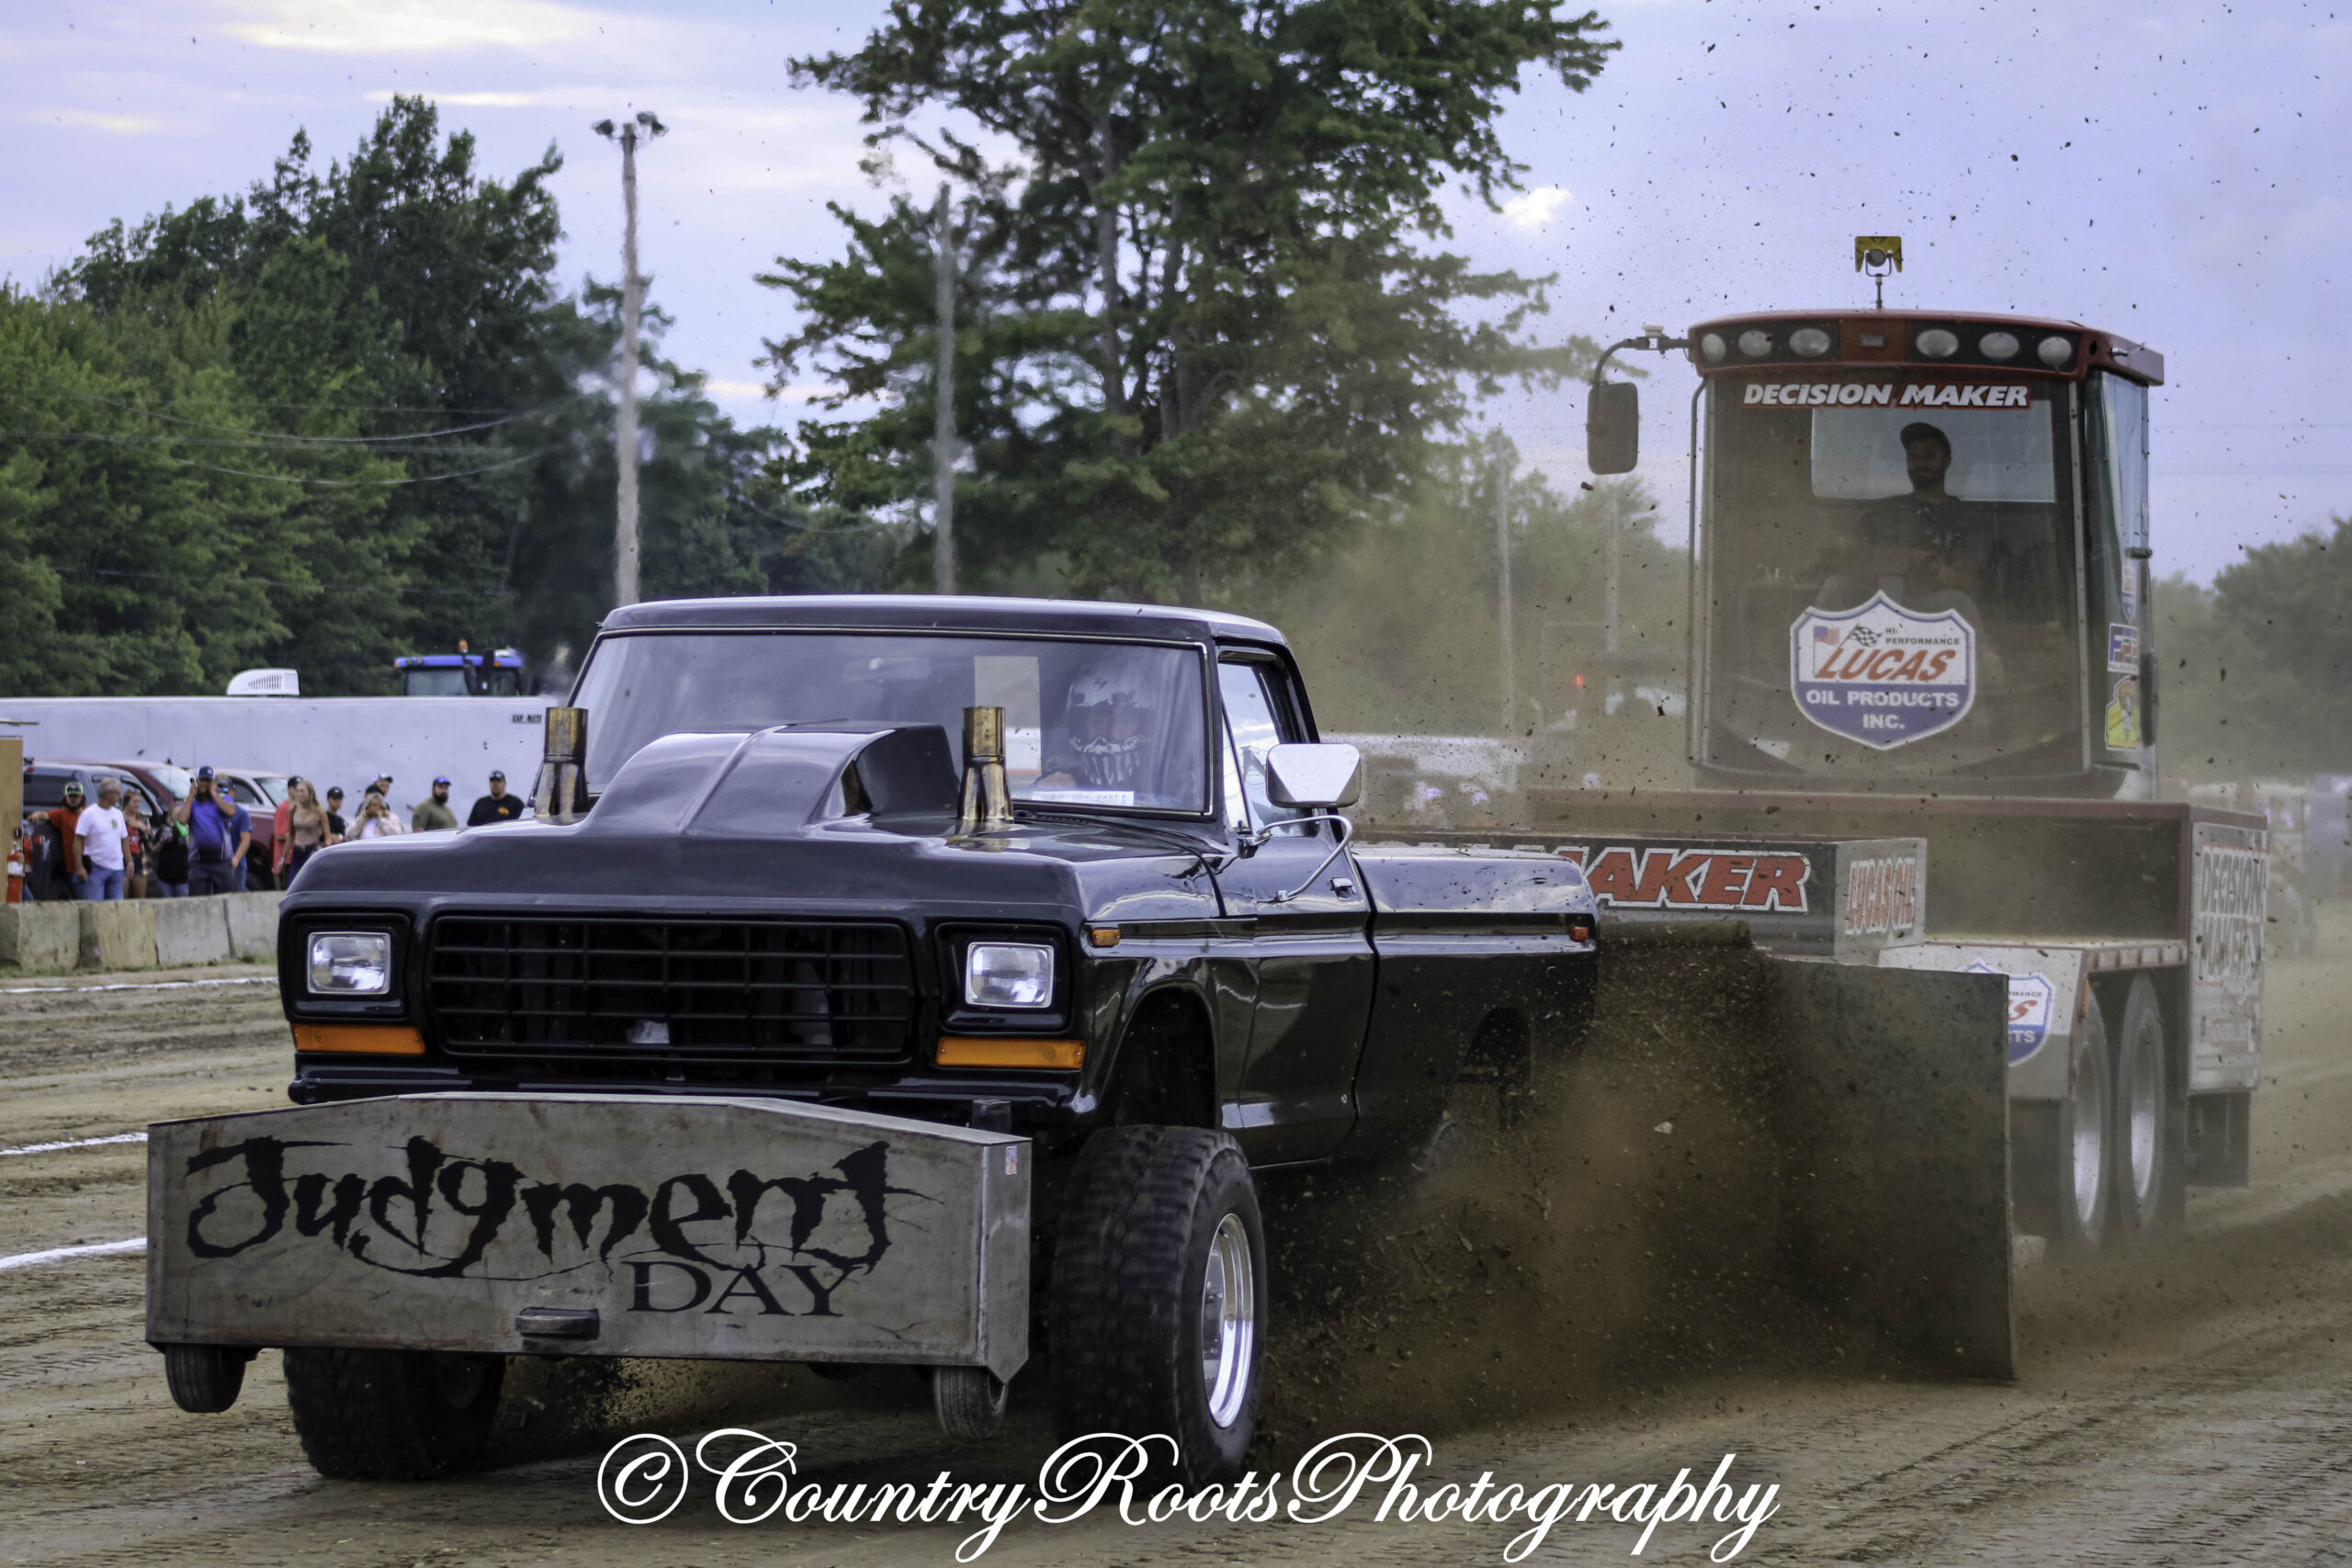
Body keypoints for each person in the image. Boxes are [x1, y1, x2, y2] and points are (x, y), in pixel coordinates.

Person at [172, 766, 250, 897]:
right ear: (197, 781)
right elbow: (182, 820)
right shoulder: (192, 802)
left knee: (226, 897)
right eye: (202, 780)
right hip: (198, 861)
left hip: (221, 860)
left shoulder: (222, 799)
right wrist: (191, 796)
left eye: (208, 781)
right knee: (198, 899)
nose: (205, 784)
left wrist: (214, 794)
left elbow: (231, 811)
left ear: (213, 783)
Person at [73, 779, 130, 901]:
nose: (120, 797)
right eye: (117, 793)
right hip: (96, 867)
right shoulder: (89, 814)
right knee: (95, 906)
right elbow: (78, 841)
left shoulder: (118, 814)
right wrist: (79, 866)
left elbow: (124, 839)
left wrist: (129, 861)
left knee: (115, 907)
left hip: (117, 869)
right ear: (108, 794)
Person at [44, 778, 86, 899]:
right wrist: (35, 816)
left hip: (93, 867)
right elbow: (45, 815)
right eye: (70, 796)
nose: (73, 799)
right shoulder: (62, 814)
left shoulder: (90, 812)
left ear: (82, 798)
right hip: (74, 868)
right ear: (65, 798)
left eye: (76, 796)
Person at [283, 781, 330, 882]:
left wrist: (324, 854)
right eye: (298, 791)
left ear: (310, 793)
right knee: (293, 884)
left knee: (308, 884)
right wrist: (284, 857)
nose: (299, 794)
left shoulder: (319, 811)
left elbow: (328, 839)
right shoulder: (293, 809)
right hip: (297, 851)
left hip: (312, 851)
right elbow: (291, 835)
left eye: (302, 791)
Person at [151, 808, 191, 898]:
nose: (178, 816)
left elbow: (193, 851)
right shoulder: (163, 829)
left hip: (182, 877)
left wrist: (186, 835)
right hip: (165, 877)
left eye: (180, 814)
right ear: (170, 815)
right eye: (176, 814)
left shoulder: (188, 830)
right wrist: (161, 842)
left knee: (182, 905)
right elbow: (153, 852)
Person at [269, 775, 303, 882]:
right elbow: (279, 835)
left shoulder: (300, 807)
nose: (299, 791)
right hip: (287, 860)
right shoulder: (283, 807)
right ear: (289, 789)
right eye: (296, 788)